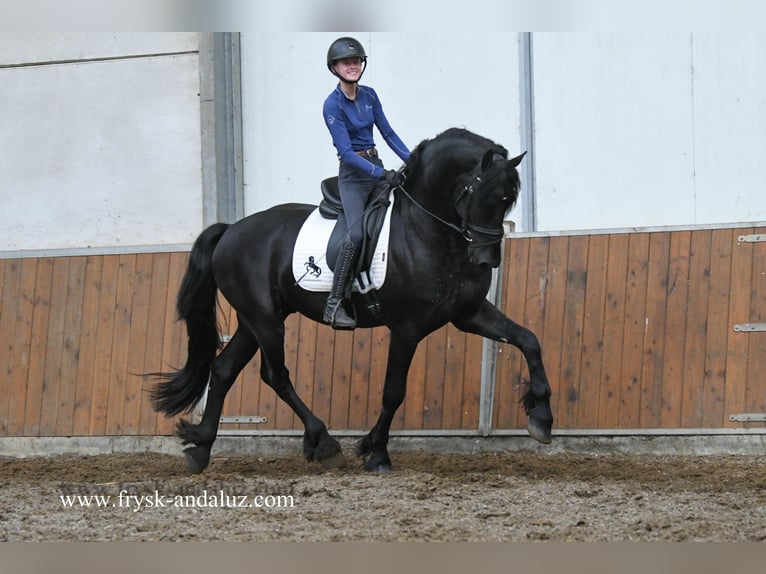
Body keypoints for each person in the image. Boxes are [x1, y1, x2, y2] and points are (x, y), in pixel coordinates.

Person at [322, 36, 411, 329]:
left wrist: (414, 161)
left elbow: (388, 133)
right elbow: (346, 153)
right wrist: (379, 175)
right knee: (357, 234)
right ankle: (335, 302)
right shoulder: (331, 104)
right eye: (346, 62)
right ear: (334, 67)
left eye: (357, 61)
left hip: (376, 166)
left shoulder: (370, 95)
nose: (353, 66)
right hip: (354, 177)